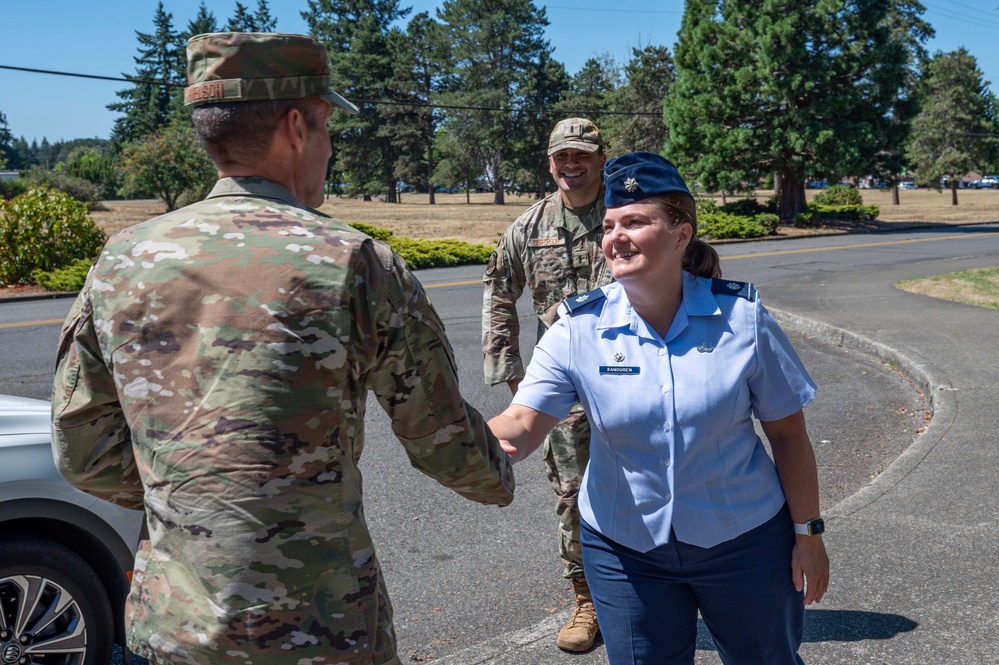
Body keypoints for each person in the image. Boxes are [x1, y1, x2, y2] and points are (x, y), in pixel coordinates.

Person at [50, 32, 514, 665]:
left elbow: (82, 451)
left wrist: (201, 495)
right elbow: (446, 444)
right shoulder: (357, 262)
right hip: (324, 627)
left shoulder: (121, 260)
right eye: (327, 130)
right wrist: (501, 473)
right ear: (296, 127)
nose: (329, 149)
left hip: (177, 626)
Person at [489, 152, 829, 664]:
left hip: (745, 541)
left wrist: (808, 534)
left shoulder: (742, 318)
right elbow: (522, 421)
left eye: (635, 221)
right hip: (625, 550)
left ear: (680, 235)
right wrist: (459, 441)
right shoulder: (577, 328)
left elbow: (787, 435)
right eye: (608, 225)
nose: (615, 237)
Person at [482, 117, 610, 651]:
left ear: (602, 157)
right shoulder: (530, 227)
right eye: (562, 157)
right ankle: (586, 599)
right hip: (563, 388)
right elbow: (497, 289)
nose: (571, 165)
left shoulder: (627, 212)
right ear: (550, 162)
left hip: (639, 374)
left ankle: (658, 585)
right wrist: (510, 371)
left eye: (581, 154)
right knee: (573, 492)